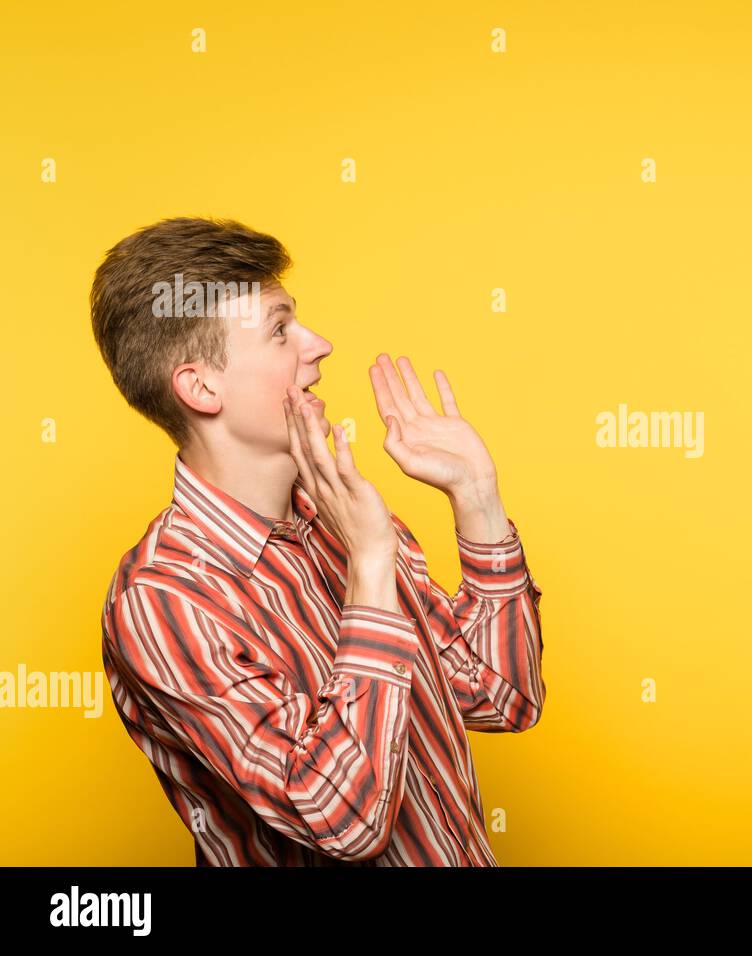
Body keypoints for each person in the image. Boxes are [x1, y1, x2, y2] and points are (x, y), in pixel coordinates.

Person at [91, 217, 544, 866]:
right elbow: (343, 819)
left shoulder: (342, 520)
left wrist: (477, 497)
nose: (319, 345)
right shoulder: (164, 601)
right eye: (280, 330)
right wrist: (369, 567)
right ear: (201, 387)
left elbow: (505, 696)